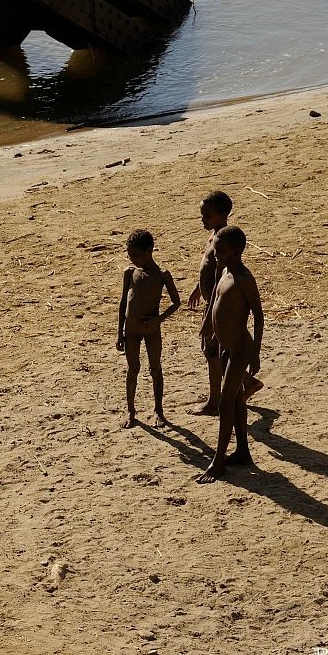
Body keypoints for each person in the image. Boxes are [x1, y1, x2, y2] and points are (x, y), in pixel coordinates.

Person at [197, 226, 264, 483]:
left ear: (237, 252)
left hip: (240, 349)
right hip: (224, 346)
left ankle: (219, 460)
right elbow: (215, 297)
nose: (216, 255)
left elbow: (258, 315)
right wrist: (210, 329)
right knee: (236, 400)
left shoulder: (245, 279)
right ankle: (243, 451)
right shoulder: (225, 270)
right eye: (215, 250)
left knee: (226, 403)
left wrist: (256, 352)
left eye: (221, 252)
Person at [187, 191, 261, 414]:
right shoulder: (215, 237)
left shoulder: (224, 243)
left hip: (217, 310)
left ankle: (214, 401)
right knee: (213, 353)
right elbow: (208, 271)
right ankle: (246, 383)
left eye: (207, 216)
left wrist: (209, 317)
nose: (203, 220)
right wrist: (198, 288)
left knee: (213, 354)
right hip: (211, 304)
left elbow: (221, 278)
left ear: (223, 215)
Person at [116, 229, 181, 428]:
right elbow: (122, 304)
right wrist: (120, 332)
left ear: (149, 251)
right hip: (132, 330)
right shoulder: (129, 273)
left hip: (152, 330)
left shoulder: (162, 275)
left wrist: (158, 319)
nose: (132, 259)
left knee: (155, 368)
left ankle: (158, 410)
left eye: (135, 255)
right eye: (129, 255)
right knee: (132, 369)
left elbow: (176, 302)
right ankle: (130, 410)